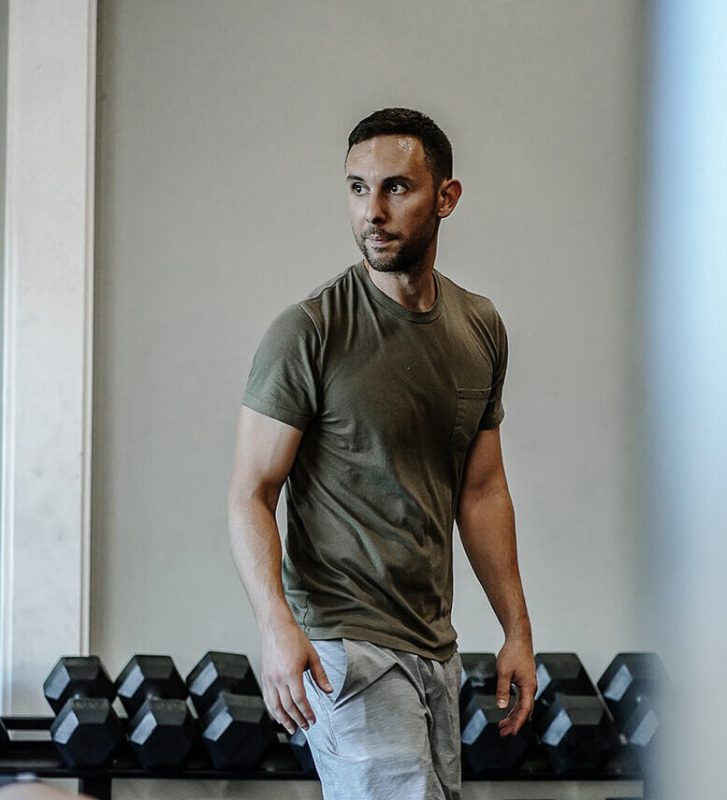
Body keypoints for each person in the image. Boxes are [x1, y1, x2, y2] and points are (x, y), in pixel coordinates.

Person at [228, 107, 537, 800]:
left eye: (397, 188)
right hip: (343, 641)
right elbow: (250, 490)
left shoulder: (478, 326)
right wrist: (277, 627)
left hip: (434, 646)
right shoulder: (310, 331)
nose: (373, 210)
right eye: (357, 188)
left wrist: (516, 630)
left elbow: (482, 491)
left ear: (446, 198)